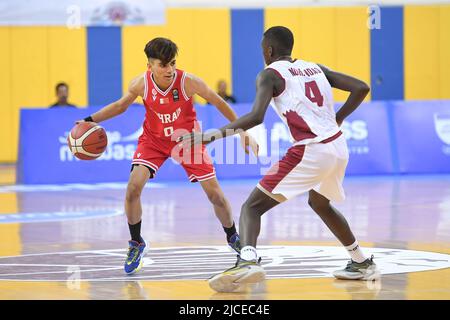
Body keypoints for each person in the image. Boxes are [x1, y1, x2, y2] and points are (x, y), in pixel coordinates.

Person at [179, 26, 379, 292]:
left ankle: (247, 259)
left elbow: (256, 117)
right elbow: (361, 87)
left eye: (263, 49)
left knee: (252, 207)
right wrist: (339, 118)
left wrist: (210, 136)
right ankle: (361, 262)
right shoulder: (315, 67)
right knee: (320, 203)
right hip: (338, 147)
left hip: (311, 148)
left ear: (269, 50)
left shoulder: (269, 75)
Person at [77, 37, 259, 275]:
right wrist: (90, 121)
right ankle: (136, 243)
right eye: (163, 65)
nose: (170, 69)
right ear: (150, 65)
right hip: (154, 141)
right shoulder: (140, 84)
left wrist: (242, 131)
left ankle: (233, 235)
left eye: (172, 63)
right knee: (133, 188)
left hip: (188, 140)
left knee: (215, 195)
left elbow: (218, 102)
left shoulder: (188, 82)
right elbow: (120, 106)